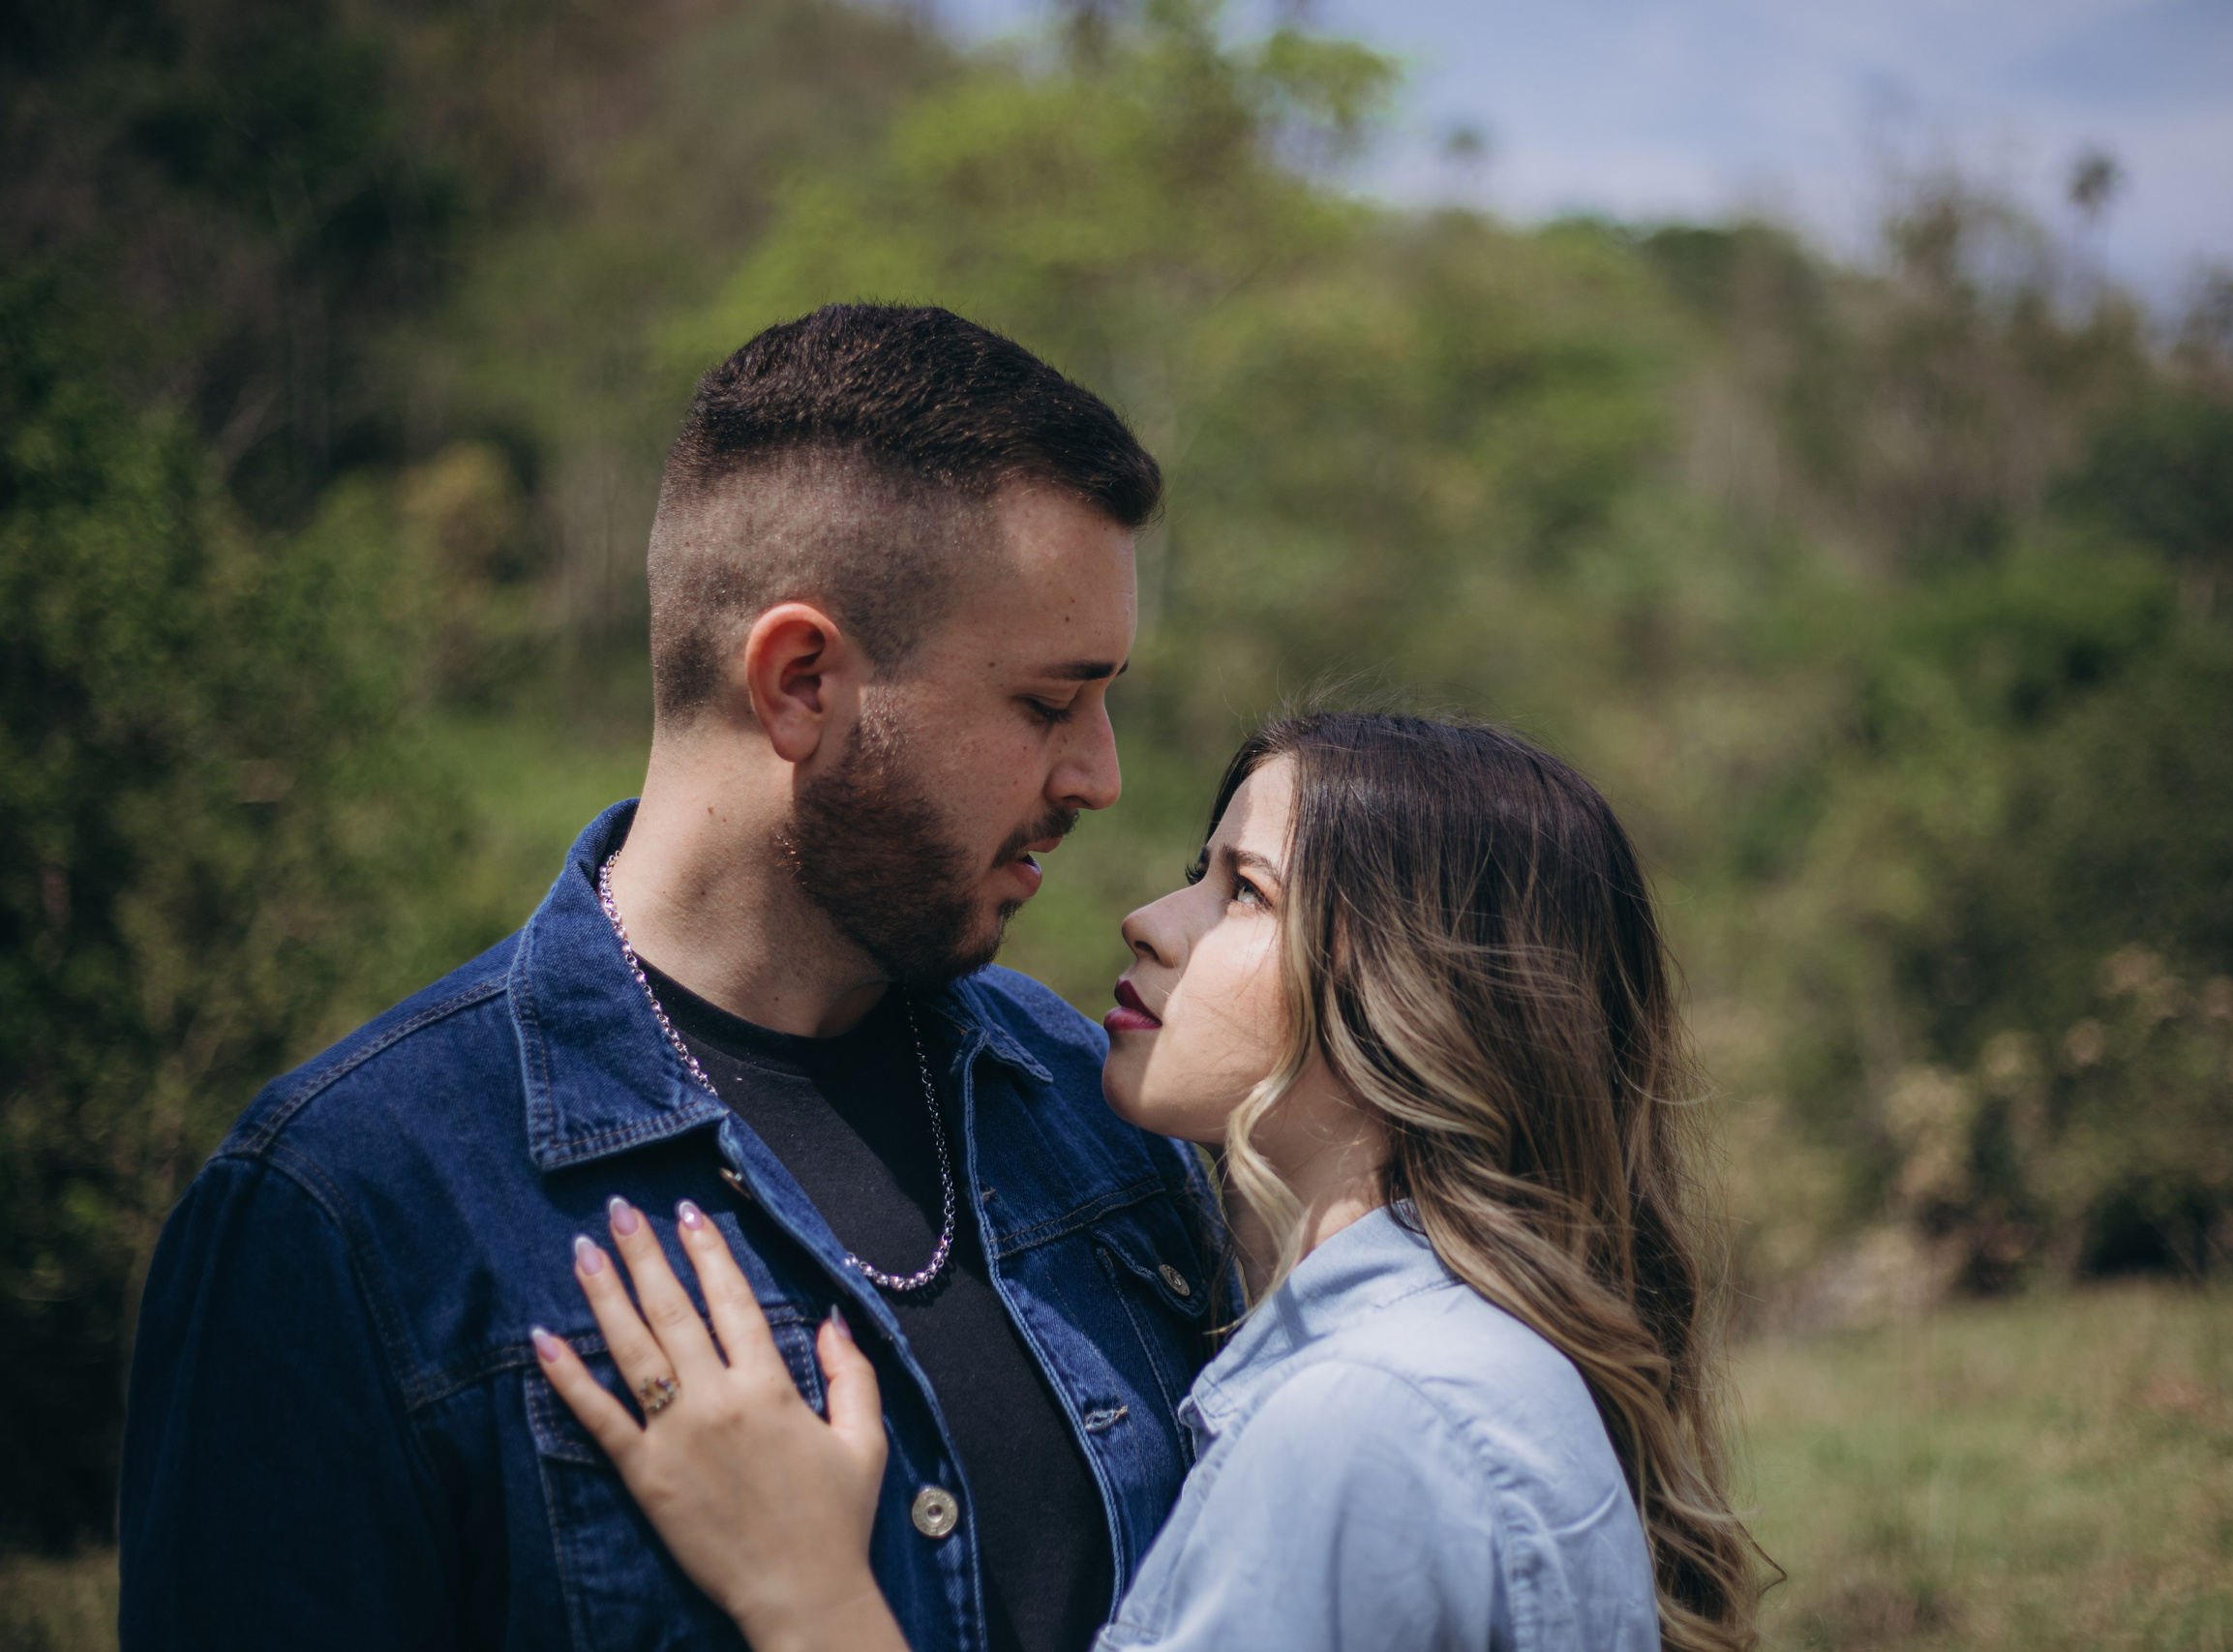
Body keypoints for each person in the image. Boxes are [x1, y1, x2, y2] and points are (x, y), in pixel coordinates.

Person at [117, 305, 1223, 1652]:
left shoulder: (1098, 1117)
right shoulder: (349, 1210)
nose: (1097, 777)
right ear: (802, 679)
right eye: (1049, 703)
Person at [534, 712, 1770, 1652]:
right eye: (1201, 872)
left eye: (1245, 892)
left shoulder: (1361, 1425)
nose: (1149, 918)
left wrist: (808, 1596)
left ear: (1422, 995)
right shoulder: (1452, 1367)